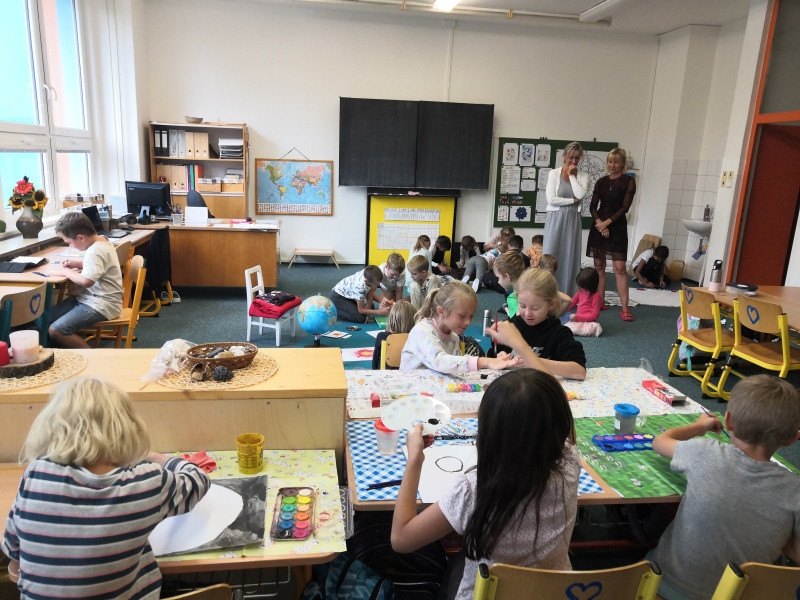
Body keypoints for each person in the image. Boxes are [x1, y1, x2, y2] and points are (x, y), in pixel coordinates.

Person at [1, 377, 210, 598]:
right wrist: (153, 457)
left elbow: (13, 548)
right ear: (127, 428)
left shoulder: (36, 474)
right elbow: (198, 479)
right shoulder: (146, 482)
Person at [391, 369, 580, 600]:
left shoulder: (473, 489)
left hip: (487, 594)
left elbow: (401, 540)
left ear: (489, 433)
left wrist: (415, 459)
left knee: (449, 563)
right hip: (553, 592)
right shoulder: (570, 462)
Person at [649, 375, 800, 600]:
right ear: (793, 439)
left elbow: (659, 441)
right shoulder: (795, 489)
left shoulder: (704, 452)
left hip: (665, 585)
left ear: (728, 421)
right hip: (741, 594)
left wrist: (699, 426)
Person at [400, 281, 521, 373]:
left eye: (471, 316)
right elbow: (439, 361)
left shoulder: (453, 337)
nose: (468, 322)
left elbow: (454, 367)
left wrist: (497, 360)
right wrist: (485, 361)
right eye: (462, 316)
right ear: (441, 311)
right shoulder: (422, 330)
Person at [486, 268, 587, 380]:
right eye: (522, 306)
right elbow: (491, 357)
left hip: (542, 387)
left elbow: (580, 371)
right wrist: (498, 357)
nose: (527, 313)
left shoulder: (559, 333)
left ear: (551, 304)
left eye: (535, 308)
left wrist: (532, 361)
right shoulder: (510, 327)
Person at [47, 211, 124, 349]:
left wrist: (65, 271)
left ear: (80, 238)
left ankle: (91, 357)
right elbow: (99, 265)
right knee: (47, 317)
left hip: (103, 305)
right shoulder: (103, 240)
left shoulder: (94, 251)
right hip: (94, 299)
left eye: (69, 242)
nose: (70, 246)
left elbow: (86, 281)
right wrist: (78, 263)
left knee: (56, 330)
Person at [586, 148, 637, 322]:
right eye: (610, 161)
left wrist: (606, 223)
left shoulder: (628, 181)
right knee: (599, 265)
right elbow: (593, 206)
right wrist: (600, 224)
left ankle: (625, 309)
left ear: (622, 164)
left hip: (617, 226)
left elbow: (625, 208)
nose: (612, 165)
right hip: (599, 225)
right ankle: (599, 302)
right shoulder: (601, 181)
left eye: (616, 162)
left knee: (620, 267)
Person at [542, 142, 589, 297]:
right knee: (550, 253)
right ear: (564, 157)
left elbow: (580, 194)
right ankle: (546, 292)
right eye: (571, 157)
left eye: (577, 158)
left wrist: (572, 176)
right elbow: (551, 200)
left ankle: (568, 294)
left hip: (573, 219)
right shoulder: (553, 173)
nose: (574, 161)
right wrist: (572, 201)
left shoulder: (583, 176)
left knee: (570, 256)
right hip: (555, 218)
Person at [372, 300, 416, 369]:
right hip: (412, 373)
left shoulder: (382, 336)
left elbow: (375, 363)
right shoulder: (417, 338)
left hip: (386, 374)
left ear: (391, 318)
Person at [565, 267, 603, 337]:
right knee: (565, 327)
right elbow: (573, 301)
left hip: (588, 322)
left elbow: (594, 315)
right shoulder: (581, 291)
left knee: (590, 329)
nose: (581, 288)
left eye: (583, 286)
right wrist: (564, 308)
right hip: (578, 319)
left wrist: (577, 317)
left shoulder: (596, 296)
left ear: (591, 285)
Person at [491, 250, 526, 318]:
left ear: (507, 276)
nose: (498, 282)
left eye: (498, 278)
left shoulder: (512, 298)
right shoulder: (531, 287)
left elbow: (517, 322)